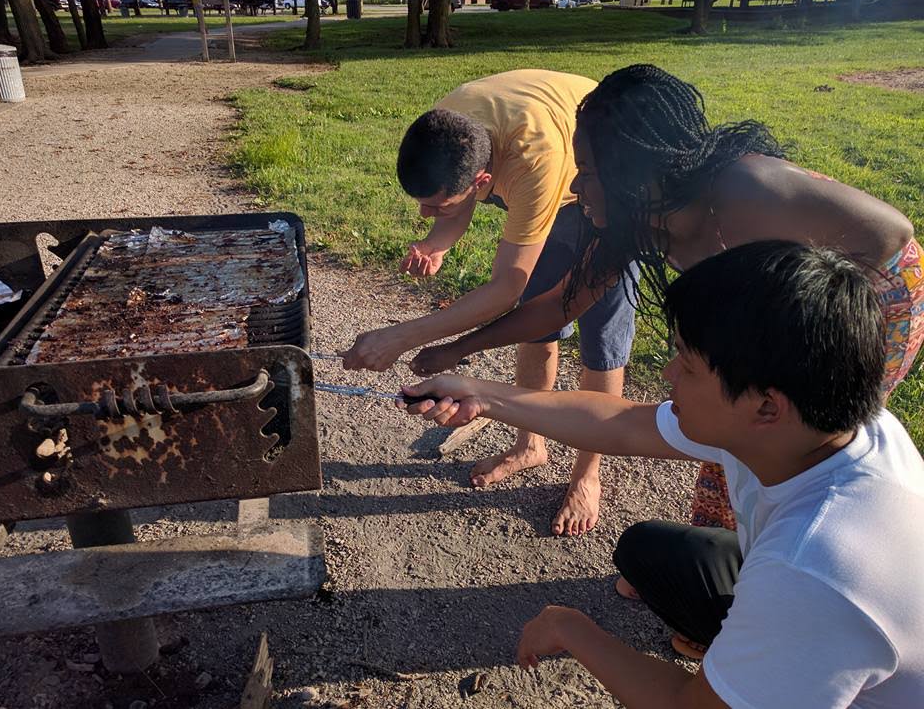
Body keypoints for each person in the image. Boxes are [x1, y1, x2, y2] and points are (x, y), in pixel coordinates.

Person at [411, 63, 923, 543]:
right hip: (781, 320)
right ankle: (717, 559)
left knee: (774, 441)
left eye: (586, 169)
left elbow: (889, 234)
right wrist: (459, 350)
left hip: (872, 308)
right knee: (731, 433)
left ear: (633, 176)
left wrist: (785, 310)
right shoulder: (640, 223)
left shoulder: (747, 190)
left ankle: (751, 571)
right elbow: (556, 309)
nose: (573, 184)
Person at [399, 241, 924, 707]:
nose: (668, 375)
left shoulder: (813, 571)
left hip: (826, 611)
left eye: (687, 368)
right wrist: (484, 396)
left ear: (767, 407)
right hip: (822, 602)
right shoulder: (823, 418)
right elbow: (621, 424)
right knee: (650, 553)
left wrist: (572, 628)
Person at [340, 70, 639, 536]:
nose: (424, 214)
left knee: (602, 339)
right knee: (538, 330)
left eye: (434, 206)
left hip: (605, 181)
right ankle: (530, 445)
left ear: (483, 179)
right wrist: (438, 241)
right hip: (543, 180)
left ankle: (587, 473)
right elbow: (458, 204)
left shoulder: (532, 163)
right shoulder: (450, 125)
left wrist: (402, 336)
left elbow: (506, 289)